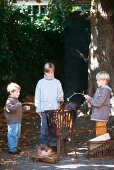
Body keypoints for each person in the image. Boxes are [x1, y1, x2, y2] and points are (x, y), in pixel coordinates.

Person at [35, 62, 64, 151]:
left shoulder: (57, 82)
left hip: (55, 109)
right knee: (44, 129)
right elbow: (37, 96)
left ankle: (54, 144)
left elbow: (60, 93)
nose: (50, 74)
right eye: (48, 72)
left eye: (52, 72)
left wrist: (61, 98)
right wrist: (38, 108)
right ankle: (43, 145)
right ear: (45, 72)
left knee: (54, 128)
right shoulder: (40, 82)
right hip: (44, 109)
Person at [4, 82, 30, 154]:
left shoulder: (16, 101)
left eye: (19, 91)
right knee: (12, 135)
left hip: (18, 121)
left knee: (17, 135)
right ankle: (12, 149)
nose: (19, 93)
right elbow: (10, 109)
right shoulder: (9, 101)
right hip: (12, 121)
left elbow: (18, 110)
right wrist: (18, 105)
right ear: (11, 92)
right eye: (17, 91)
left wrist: (24, 109)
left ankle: (14, 147)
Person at [84, 71, 112, 137]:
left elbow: (99, 103)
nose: (97, 82)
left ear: (104, 80)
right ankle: (101, 145)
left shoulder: (105, 90)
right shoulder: (100, 89)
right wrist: (89, 101)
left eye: (98, 80)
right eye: (97, 80)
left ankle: (101, 146)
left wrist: (89, 99)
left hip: (102, 115)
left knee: (101, 133)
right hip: (99, 115)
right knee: (99, 131)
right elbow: (94, 99)